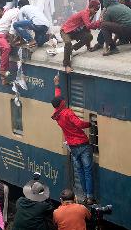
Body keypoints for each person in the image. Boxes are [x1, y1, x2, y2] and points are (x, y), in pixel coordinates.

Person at [51, 75, 95, 204]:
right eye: (62, 100)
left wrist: (57, 85)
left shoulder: (57, 113)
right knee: (87, 170)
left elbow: (57, 98)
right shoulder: (67, 113)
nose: (64, 100)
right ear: (62, 104)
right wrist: (91, 124)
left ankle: (84, 193)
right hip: (82, 144)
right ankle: (90, 196)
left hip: (72, 146)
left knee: (80, 170)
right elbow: (80, 124)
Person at [0, 4, 19, 85]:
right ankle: (2, 70)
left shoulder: (12, 13)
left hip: (2, 35)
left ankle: (4, 79)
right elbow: (13, 29)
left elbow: (12, 28)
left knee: (5, 50)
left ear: (0, 10)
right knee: (6, 48)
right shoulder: (13, 12)